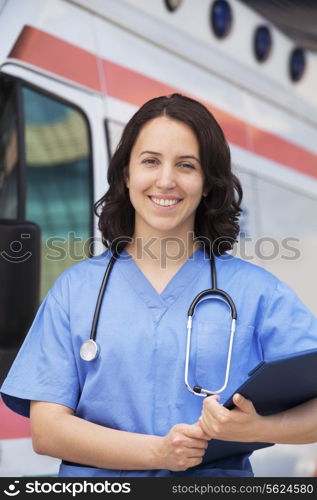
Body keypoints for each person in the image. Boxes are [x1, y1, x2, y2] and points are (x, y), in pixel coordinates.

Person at [1, 93, 317, 478]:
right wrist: (161, 453)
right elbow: (48, 431)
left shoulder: (258, 293)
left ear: (206, 184)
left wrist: (258, 429)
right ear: (126, 175)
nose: (166, 180)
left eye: (186, 165)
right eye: (150, 161)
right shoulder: (75, 291)